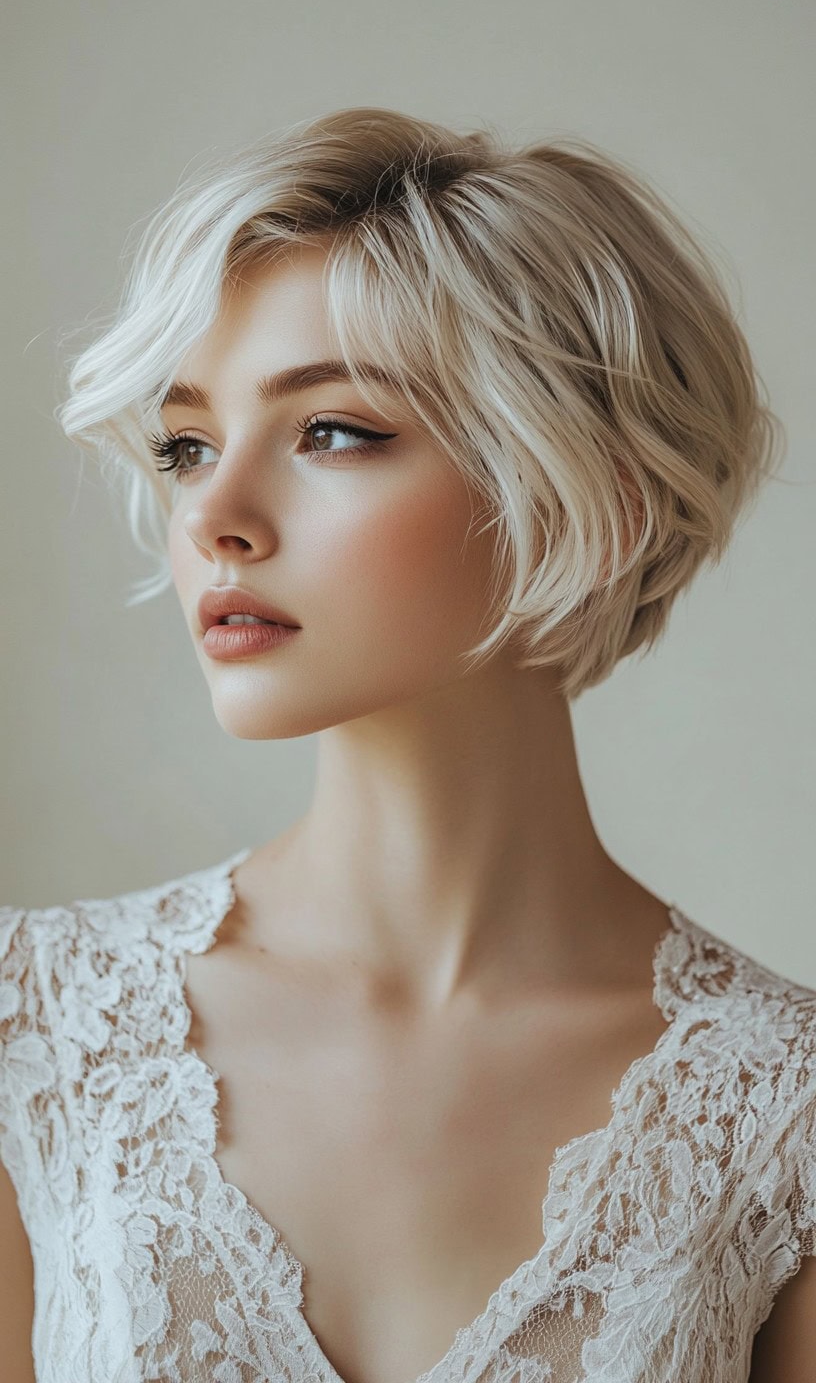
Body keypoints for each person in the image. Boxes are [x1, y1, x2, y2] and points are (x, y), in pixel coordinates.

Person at [0, 107, 813, 1383]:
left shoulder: (785, 1109)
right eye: (186, 444)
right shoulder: (31, 1023)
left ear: (591, 494)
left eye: (332, 429)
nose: (214, 513)